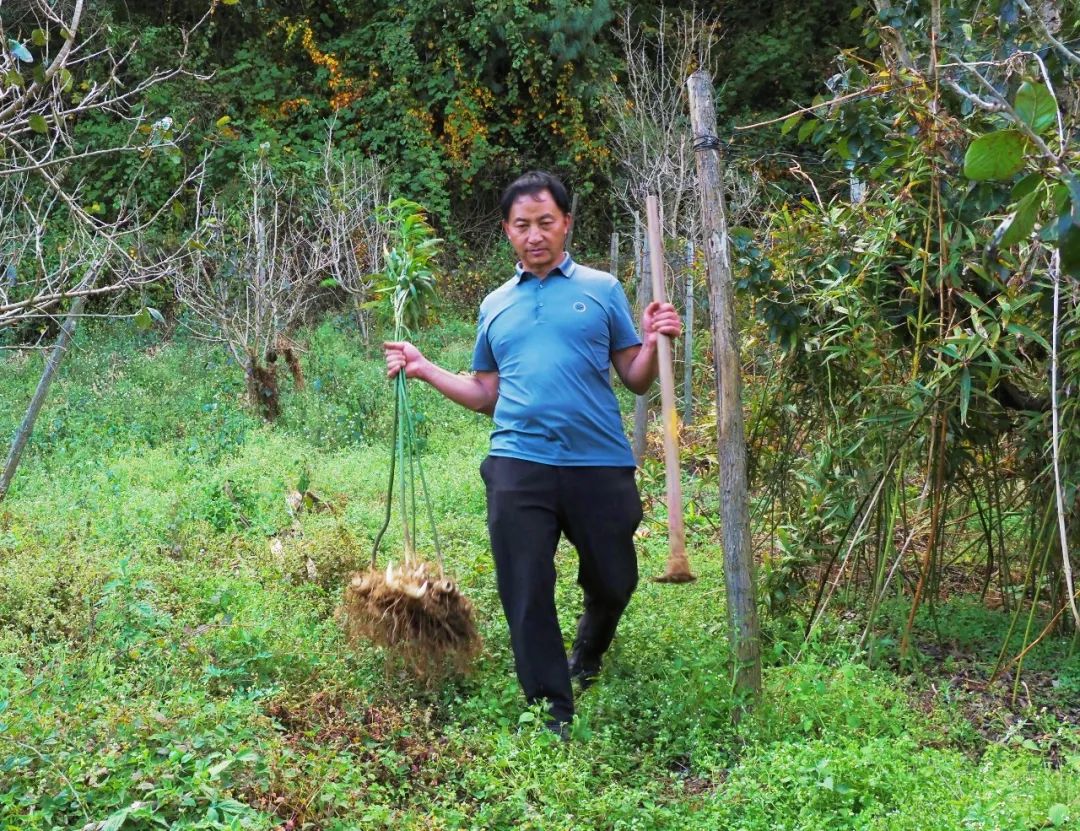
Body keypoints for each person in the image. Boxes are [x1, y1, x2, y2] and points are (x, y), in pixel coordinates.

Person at [383, 170, 681, 735]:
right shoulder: (495, 305)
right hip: (519, 462)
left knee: (615, 578)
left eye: (546, 222)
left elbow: (636, 379)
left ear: (566, 223)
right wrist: (424, 369)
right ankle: (552, 707)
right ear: (507, 232)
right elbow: (485, 394)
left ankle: (588, 651)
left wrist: (656, 339)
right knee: (525, 585)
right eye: (522, 225)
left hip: (599, 463)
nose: (535, 234)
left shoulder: (602, 290)